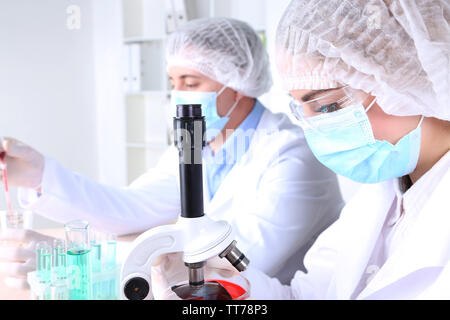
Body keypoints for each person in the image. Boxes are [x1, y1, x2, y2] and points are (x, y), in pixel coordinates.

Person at [0, 17, 344, 289]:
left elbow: (232, 261)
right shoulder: (199, 145)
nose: (177, 95)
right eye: (172, 82)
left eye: (190, 83)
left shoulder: (294, 155)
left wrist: (73, 259)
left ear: (237, 84)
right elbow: (131, 207)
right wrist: (37, 173)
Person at [234, 0, 450, 299]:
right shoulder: (379, 197)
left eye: (328, 106)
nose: (314, 130)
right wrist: (224, 289)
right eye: (302, 110)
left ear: (412, 78)